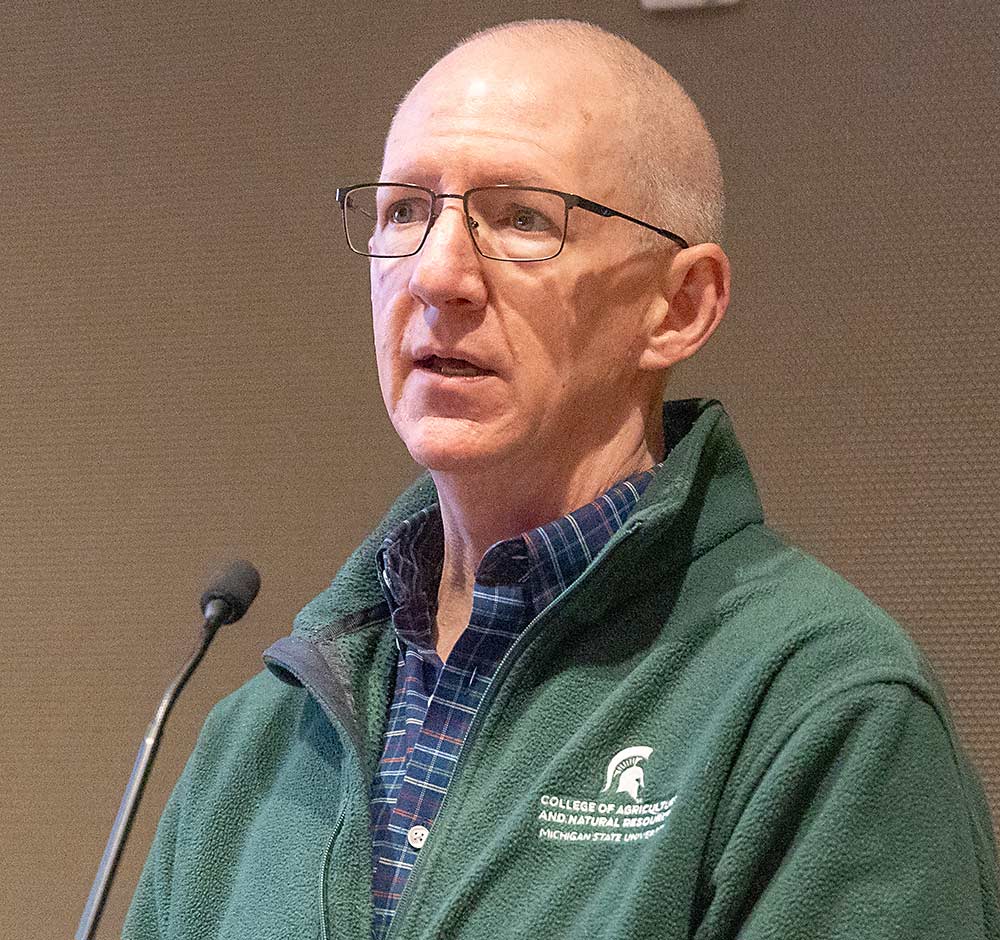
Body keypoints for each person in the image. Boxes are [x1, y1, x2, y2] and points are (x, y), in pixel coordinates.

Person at [124, 18, 999, 940]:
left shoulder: (822, 711)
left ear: (680, 306)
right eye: (404, 212)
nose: (439, 275)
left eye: (522, 218)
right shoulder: (257, 739)